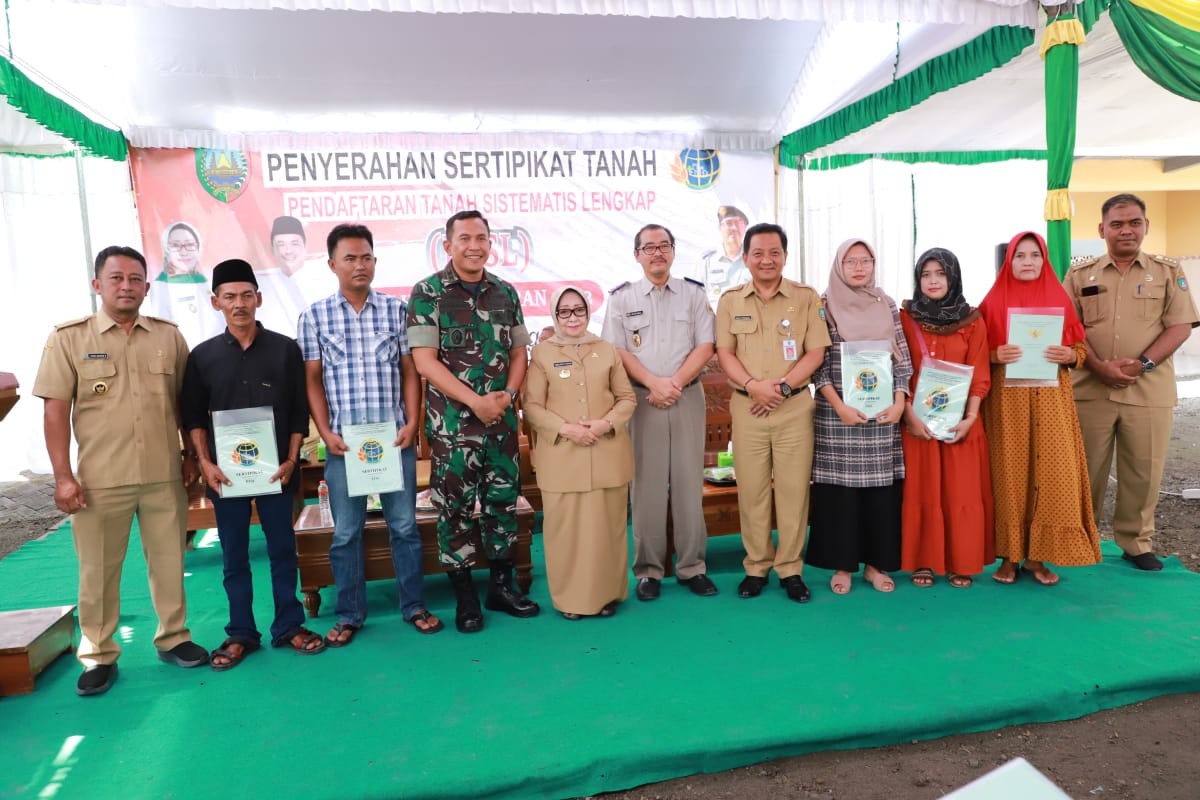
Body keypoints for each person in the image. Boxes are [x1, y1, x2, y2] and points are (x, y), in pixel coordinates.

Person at [33, 245, 209, 696]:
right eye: (116, 279)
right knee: (97, 570)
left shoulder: (168, 337)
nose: (126, 287)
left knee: (169, 563)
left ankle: (174, 637)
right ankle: (98, 653)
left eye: (135, 279)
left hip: (161, 475)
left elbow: (185, 405)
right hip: (98, 480)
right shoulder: (69, 337)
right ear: (98, 285)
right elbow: (55, 412)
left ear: (147, 287)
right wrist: (63, 476)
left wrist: (191, 455)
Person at [297, 223, 441, 647]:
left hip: (393, 440)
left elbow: (410, 371)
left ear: (375, 262)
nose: (359, 265)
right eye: (349, 258)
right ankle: (348, 614)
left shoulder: (397, 312)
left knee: (404, 526)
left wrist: (412, 423)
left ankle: (414, 605)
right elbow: (312, 381)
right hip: (343, 446)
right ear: (332, 264)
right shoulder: (315, 316)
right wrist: (325, 433)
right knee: (345, 533)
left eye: (366, 257)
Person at [181, 259, 325, 670]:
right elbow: (193, 416)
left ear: (258, 298)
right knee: (234, 555)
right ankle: (241, 632)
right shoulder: (203, 357)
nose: (239, 304)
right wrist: (205, 463)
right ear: (215, 302)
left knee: (283, 550)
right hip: (226, 477)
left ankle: (289, 626)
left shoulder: (284, 349)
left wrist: (292, 458)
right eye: (230, 297)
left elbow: (299, 411)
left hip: (277, 471)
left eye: (246, 295)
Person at [408, 210, 540, 633]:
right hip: (452, 429)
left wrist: (508, 396)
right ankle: (466, 599)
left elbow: (519, 352)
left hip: (500, 425)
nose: (474, 245)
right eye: (464, 238)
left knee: (503, 504)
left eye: (481, 237)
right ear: (447, 245)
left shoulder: (504, 291)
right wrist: (474, 402)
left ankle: (500, 588)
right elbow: (425, 361)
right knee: (455, 511)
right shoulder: (427, 293)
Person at [1065, 194, 1200, 571]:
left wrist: (1142, 364)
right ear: (1101, 230)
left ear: (1145, 226)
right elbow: (1067, 329)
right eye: (1118, 224)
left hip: (1149, 390)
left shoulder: (1168, 271)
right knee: (1084, 469)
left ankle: (1136, 541)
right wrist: (1098, 366)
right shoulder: (1079, 274)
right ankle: (1080, 538)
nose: (1127, 230)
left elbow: (1180, 326)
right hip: (1091, 390)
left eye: (1134, 222)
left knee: (1144, 469)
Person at [715, 222, 830, 603]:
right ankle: (757, 566)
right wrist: (753, 386)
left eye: (774, 253)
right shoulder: (731, 300)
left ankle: (791, 569)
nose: (767, 260)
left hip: (793, 407)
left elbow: (816, 351)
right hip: (748, 407)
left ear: (784, 256)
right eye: (758, 253)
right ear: (745, 258)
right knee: (752, 490)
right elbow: (725, 353)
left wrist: (779, 388)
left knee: (794, 492)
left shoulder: (805, 297)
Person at [601, 223, 717, 601]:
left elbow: (706, 345)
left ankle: (692, 567)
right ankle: (648, 571)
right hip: (642, 400)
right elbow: (617, 351)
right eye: (648, 247)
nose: (657, 253)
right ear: (637, 255)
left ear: (673, 250)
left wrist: (674, 384)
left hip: (686, 396)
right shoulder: (622, 299)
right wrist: (653, 383)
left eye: (663, 245)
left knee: (688, 485)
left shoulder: (693, 295)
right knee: (647, 488)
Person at [979, 231, 1101, 585]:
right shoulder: (991, 302)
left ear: (1044, 259)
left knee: (1052, 473)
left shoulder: (1059, 300)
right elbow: (974, 354)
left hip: (1052, 400)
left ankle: (1037, 557)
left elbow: (1079, 350)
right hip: (1007, 401)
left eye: (1035, 255)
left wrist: (1070, 355)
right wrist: (992, 355)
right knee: (1008, 473)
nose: (1028, 262)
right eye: (1020, 256)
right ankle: (1009, 557)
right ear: (1009, 261)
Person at [807, 239, 912, 595]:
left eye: (865, 260)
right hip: (839, 417)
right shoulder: (823, 306)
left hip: (881, 417)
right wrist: (838, 406)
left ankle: (875, 565)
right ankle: (843, 565)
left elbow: (903, 360)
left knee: (880, 496)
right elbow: (817, 366)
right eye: (850, 261)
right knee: (841, 496)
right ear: (839, 265)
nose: (858, 268)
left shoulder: (887, 304)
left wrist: (899, 403)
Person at [525, 287, 637, 618]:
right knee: (566, 533)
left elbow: (627, 398)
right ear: (554, 315)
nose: (572, 318)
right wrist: (565, 429)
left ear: (588, 313)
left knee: (607, 530)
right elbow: (531, 406)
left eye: (579, 310)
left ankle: (606, 596)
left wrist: (605, 424)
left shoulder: (607, 350)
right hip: (563, 457)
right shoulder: (542, 354)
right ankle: (570, 601)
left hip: (606, 453)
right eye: (564, 311)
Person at [899, 248, 994, 588]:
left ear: (953, 277)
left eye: (940, 274)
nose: (933, 281)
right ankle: (923, 561)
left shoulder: (972, 320)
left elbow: (980, 374)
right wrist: (909, 416)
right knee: (922, 489)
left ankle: (960, 561)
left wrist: (970, 418)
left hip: (960, 424)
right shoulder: (904, 317)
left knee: (960, 490)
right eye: (926, 274)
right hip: (917, 424)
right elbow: (899, 370)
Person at [151, 221, 221, 345]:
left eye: (189, 245)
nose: (183, 252)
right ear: (166, 249)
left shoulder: (207, 281)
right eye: (175, 245)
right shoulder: (160, 286)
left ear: (198, 248)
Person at [254, 216, 309, 338]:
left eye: (294, 244)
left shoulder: (326, 282)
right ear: (273, 249)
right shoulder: (261, 285)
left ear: (305, 246)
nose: (288, 251)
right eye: (281, 244)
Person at [697, 205, 750, 306]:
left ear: (745, 228)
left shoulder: (756, 261)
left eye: (738, 223)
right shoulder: (707, 263)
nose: (734, 228)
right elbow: (697, 300)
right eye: (729, 223)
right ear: (720, 228)